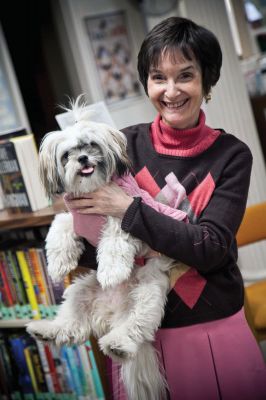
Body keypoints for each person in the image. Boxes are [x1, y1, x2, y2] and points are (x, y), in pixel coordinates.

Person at [66, 17, 266, 400]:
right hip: (135, 336)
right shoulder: (124, 146)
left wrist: (128, 210)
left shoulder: (232, 157)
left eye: (185, 76)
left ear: (207, 82)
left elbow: (209, 249)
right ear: (146, 83)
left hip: (209, 325)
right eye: (159, 77)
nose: (171, 91)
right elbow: (96, 243)